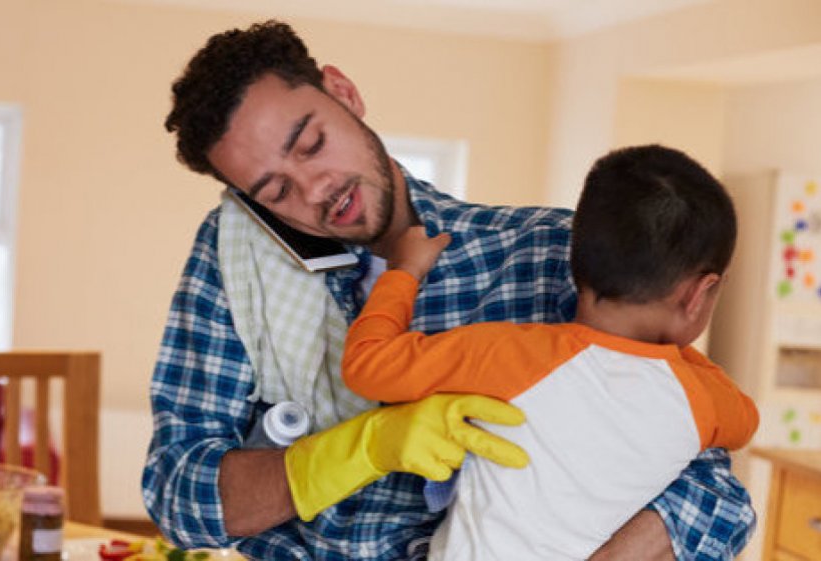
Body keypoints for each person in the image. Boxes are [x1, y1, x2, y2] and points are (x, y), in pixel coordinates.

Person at [144, 19, 756, 561]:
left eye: (312, 144)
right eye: (275, 192)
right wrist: (357, 450)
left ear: (344, 93)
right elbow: (179, 498)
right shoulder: (241, 265)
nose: (315, 189)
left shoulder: (542, 254)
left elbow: (712, 496)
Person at [340, 144, 759, 560]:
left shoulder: (510, 354)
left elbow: (367, 365)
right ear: (699, 293)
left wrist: (403, 272)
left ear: (575, 259)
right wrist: (674, 355)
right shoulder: (704, 400)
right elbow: (745, 421)